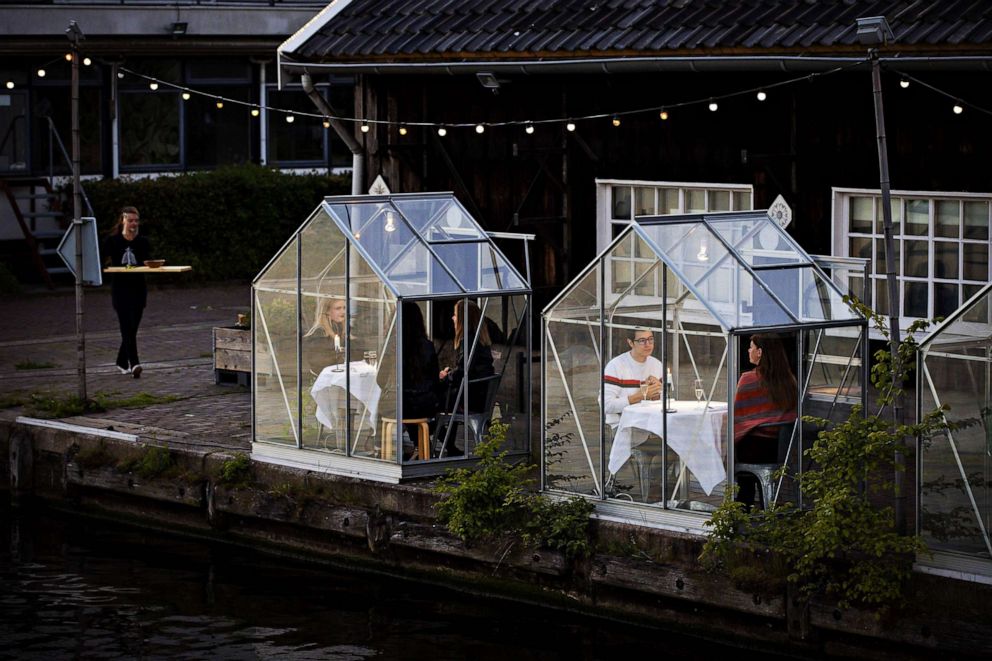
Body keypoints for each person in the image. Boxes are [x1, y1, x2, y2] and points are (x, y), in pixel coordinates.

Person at [733, 334, 798, 509]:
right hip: (781, 448)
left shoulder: (748, 379)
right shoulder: (789, 381)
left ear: (760, 352)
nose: (749, 350)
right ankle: (763, 505)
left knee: (730, 447)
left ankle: (742, 504)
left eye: (751, 347)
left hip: (756, 449)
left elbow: (737, 417)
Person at [377, 302, 441, 457]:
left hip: (399, 405)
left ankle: (380, 448)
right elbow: (434, 379)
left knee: (392, 404)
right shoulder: (427, 346)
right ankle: (421, 445)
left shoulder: (391, 345)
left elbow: (380, 380)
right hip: (424, 405)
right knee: (414, 402)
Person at [437, 301, 496, 455]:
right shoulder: (479, 340)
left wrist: (445, 376)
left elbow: (463, 372)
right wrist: (451, 372)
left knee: (431, 402)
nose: (452, 318)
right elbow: (468, 369)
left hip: (470, 398)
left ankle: (439, 445)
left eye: (455, 315)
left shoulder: (468, 340)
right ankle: (449, 447)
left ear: (463, 319)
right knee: (445, 400)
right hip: (478, 395)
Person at [103, 206, 150, 378]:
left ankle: (121, 361)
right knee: (126, 327)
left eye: (136, 220)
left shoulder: (143, 242)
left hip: (138, 289)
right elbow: (101, 259)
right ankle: (135, 363)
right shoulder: (113, 241)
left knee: (132, 328)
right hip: (120, 290)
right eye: (130, 220)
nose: (134, 224)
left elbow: (147, 262)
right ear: (123, 220)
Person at [603, 328, 662, 428]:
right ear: (630, 343)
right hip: (623, 425)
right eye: (642, 341)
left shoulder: (657, 364)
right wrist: (640, 396)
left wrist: (656, 393)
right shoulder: (615, 365)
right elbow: (606, 406)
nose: (648, 344)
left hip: (651, 423)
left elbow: (665, 403)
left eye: (650, 339)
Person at [303, 296, 347, 374]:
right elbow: (319, 362)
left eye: (344, 308)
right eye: (338, 308)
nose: (343, 311)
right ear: (327, 311)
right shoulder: (319, 333)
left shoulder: (342, 329)